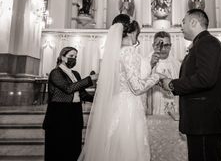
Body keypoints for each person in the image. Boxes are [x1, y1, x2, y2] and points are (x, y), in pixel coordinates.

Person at [78, 14, 165, 161]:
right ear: (131, 32)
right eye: (137, 34)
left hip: (116, 104)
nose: (137, 38)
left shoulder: (116, 53)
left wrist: (150, 66)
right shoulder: (128, 53)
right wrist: (157, 77)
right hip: (128, 109)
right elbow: (137, 87)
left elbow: (129, 78)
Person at [161, 9, 221, 161]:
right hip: (200, 122)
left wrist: (172, 85)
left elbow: (205, 79)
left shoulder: (208, 43)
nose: (181, 26)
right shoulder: (201, 43)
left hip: (205, 122)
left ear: (193, 22)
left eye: (183, 22)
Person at [42, 46, 98, 161]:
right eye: (71, 56)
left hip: (74, 113)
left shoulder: (76, 74)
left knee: (73, 148)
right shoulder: (55, 73)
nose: (74, 59)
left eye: (76, 57)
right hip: (59, 114)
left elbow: (82, 94)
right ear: (63, 57)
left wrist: (98, 99)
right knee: (58, 149)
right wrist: (90, 78)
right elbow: (68, 88)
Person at [149, 31, 180, 115]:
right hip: (153, 110)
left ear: (171, 46)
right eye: (159, 45)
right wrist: (150, 66)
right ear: (153, 46)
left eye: (166, 45)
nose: (163, 49)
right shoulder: (146, 63)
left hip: (175, 109)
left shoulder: (177, 65)